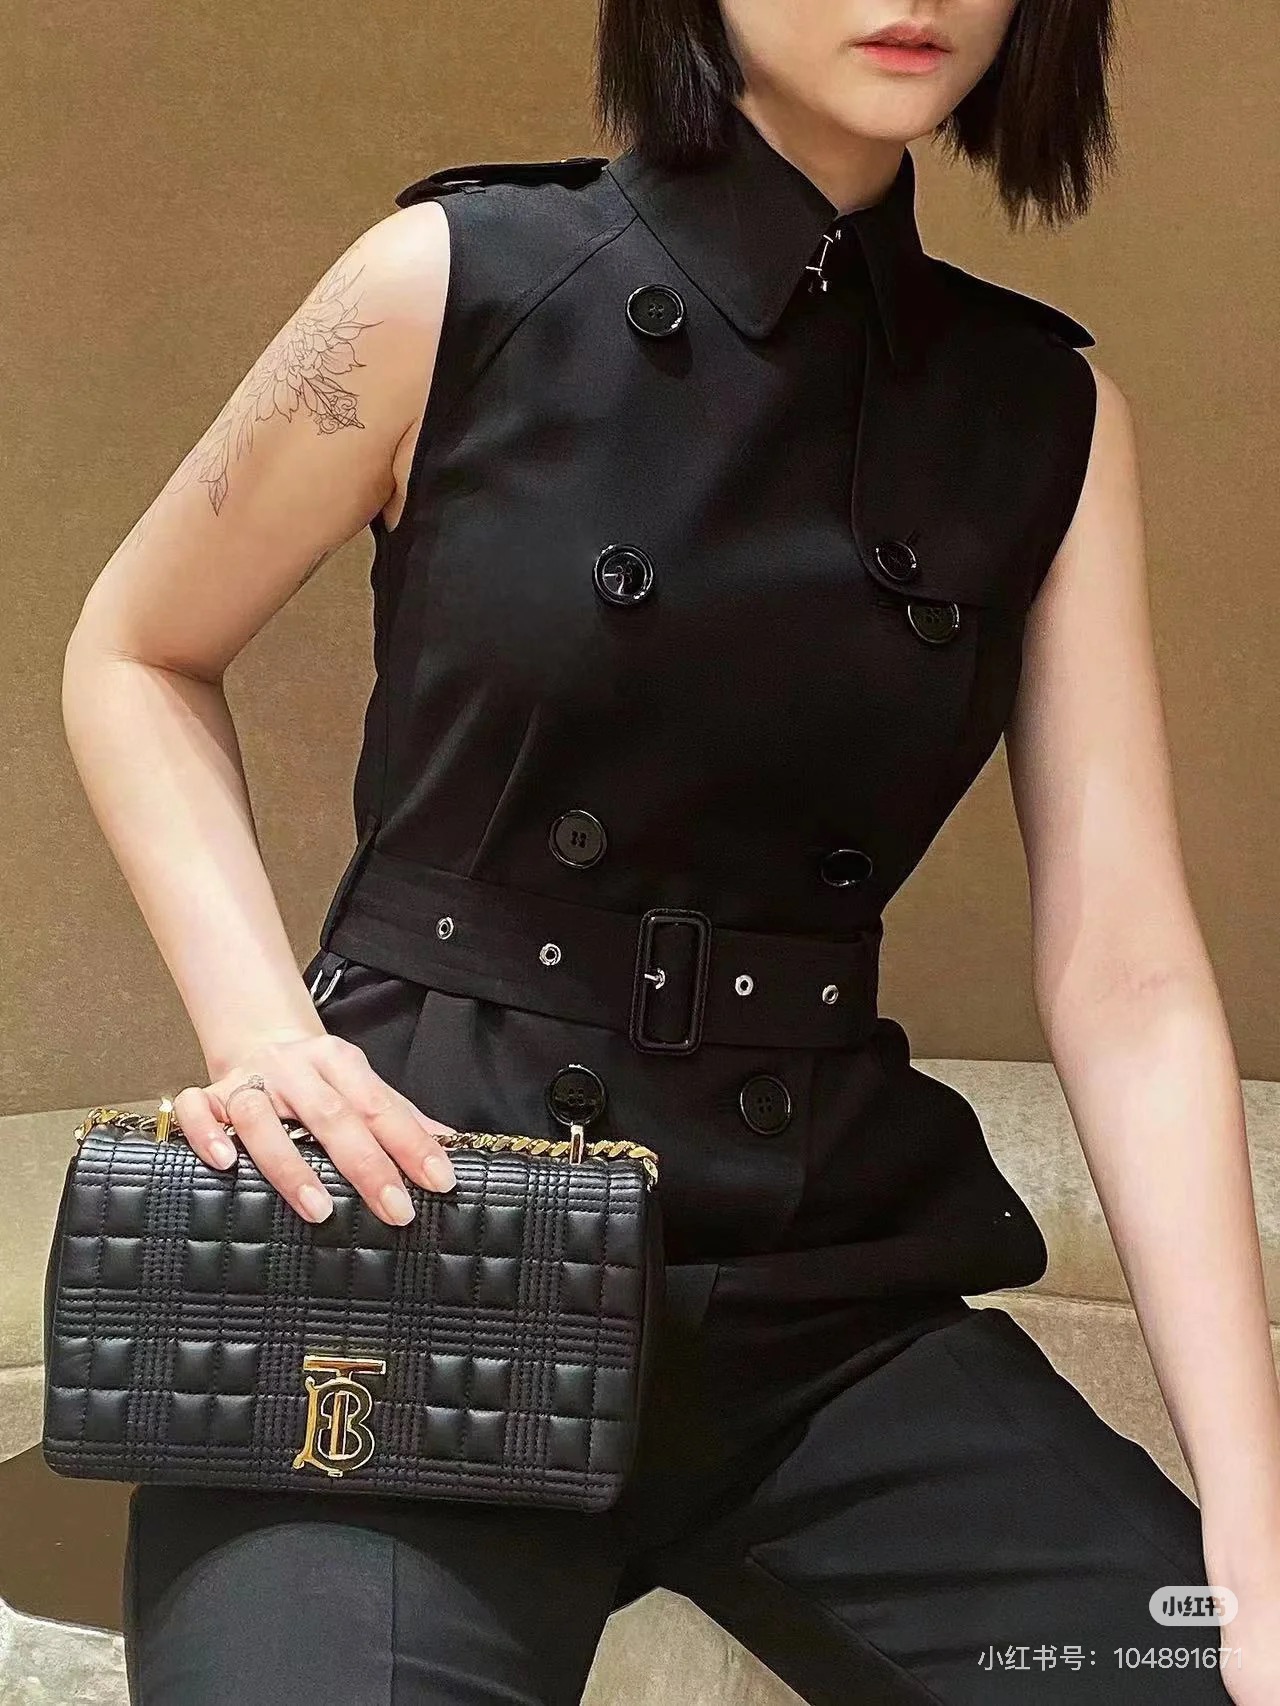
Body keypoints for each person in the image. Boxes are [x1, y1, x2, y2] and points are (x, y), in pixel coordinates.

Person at [59, 0, 1279, 1701]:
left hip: (814, 1297)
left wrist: (1255, 1533)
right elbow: (132, 648)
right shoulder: (453, 281)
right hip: (411, 1245)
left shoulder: (1043, 413)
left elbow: (1133, 981)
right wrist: (262, 1031)